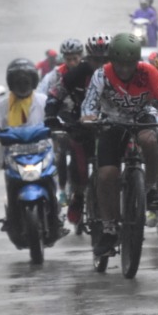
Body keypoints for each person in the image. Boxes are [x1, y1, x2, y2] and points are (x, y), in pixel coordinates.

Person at [80, 32, 158, 256]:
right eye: (119, 64)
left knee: (149, 139)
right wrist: (89, 117)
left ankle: (150, 189)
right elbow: (89, 104)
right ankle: (110, 228)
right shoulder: (101, 75)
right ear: (111, 61)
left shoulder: (148, 71)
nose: (124, 69)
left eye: (129, 64)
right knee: (106, 175)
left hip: (143, 115)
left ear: (137, 61)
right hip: (112, 120)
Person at [0, 57, 64, 239]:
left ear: (33, 81)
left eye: (26, 80)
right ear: (11, 83)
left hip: (41, 151)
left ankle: (57, 215)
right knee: (11, 184)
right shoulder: (2, 104)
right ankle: (11, 216)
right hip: (14, 155)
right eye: (18, 81)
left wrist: (60, 128)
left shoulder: (44, 101)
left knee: (52, 180)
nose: (22, 85)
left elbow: (56, 119)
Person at [45, 33, 107, 226]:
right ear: (88, 58)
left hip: (111, 122)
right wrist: (50, 115)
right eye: (96, 60)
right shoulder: (77, 72)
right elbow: (56, 94)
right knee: (77, 156)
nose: (100, 64)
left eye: (105, 60)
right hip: (82, 122)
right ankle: (78, 196)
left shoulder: (119, 71)